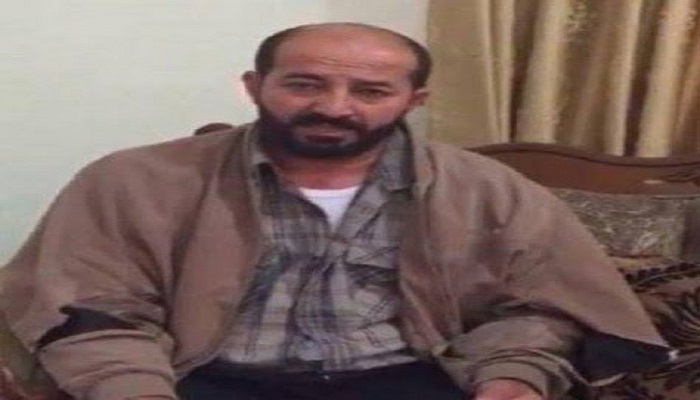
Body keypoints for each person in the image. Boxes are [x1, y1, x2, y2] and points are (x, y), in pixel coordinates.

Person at [2, 23, 670, 400]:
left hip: (410, 381)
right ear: (254, 86)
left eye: (371, 91)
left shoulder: (487, 188)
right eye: (304, 84)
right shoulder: (135, 180)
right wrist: (133, 391)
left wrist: (512, 381)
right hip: (203, 380)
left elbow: (540, 309)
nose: (334, 106)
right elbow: (92, 309)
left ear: (413, 101)